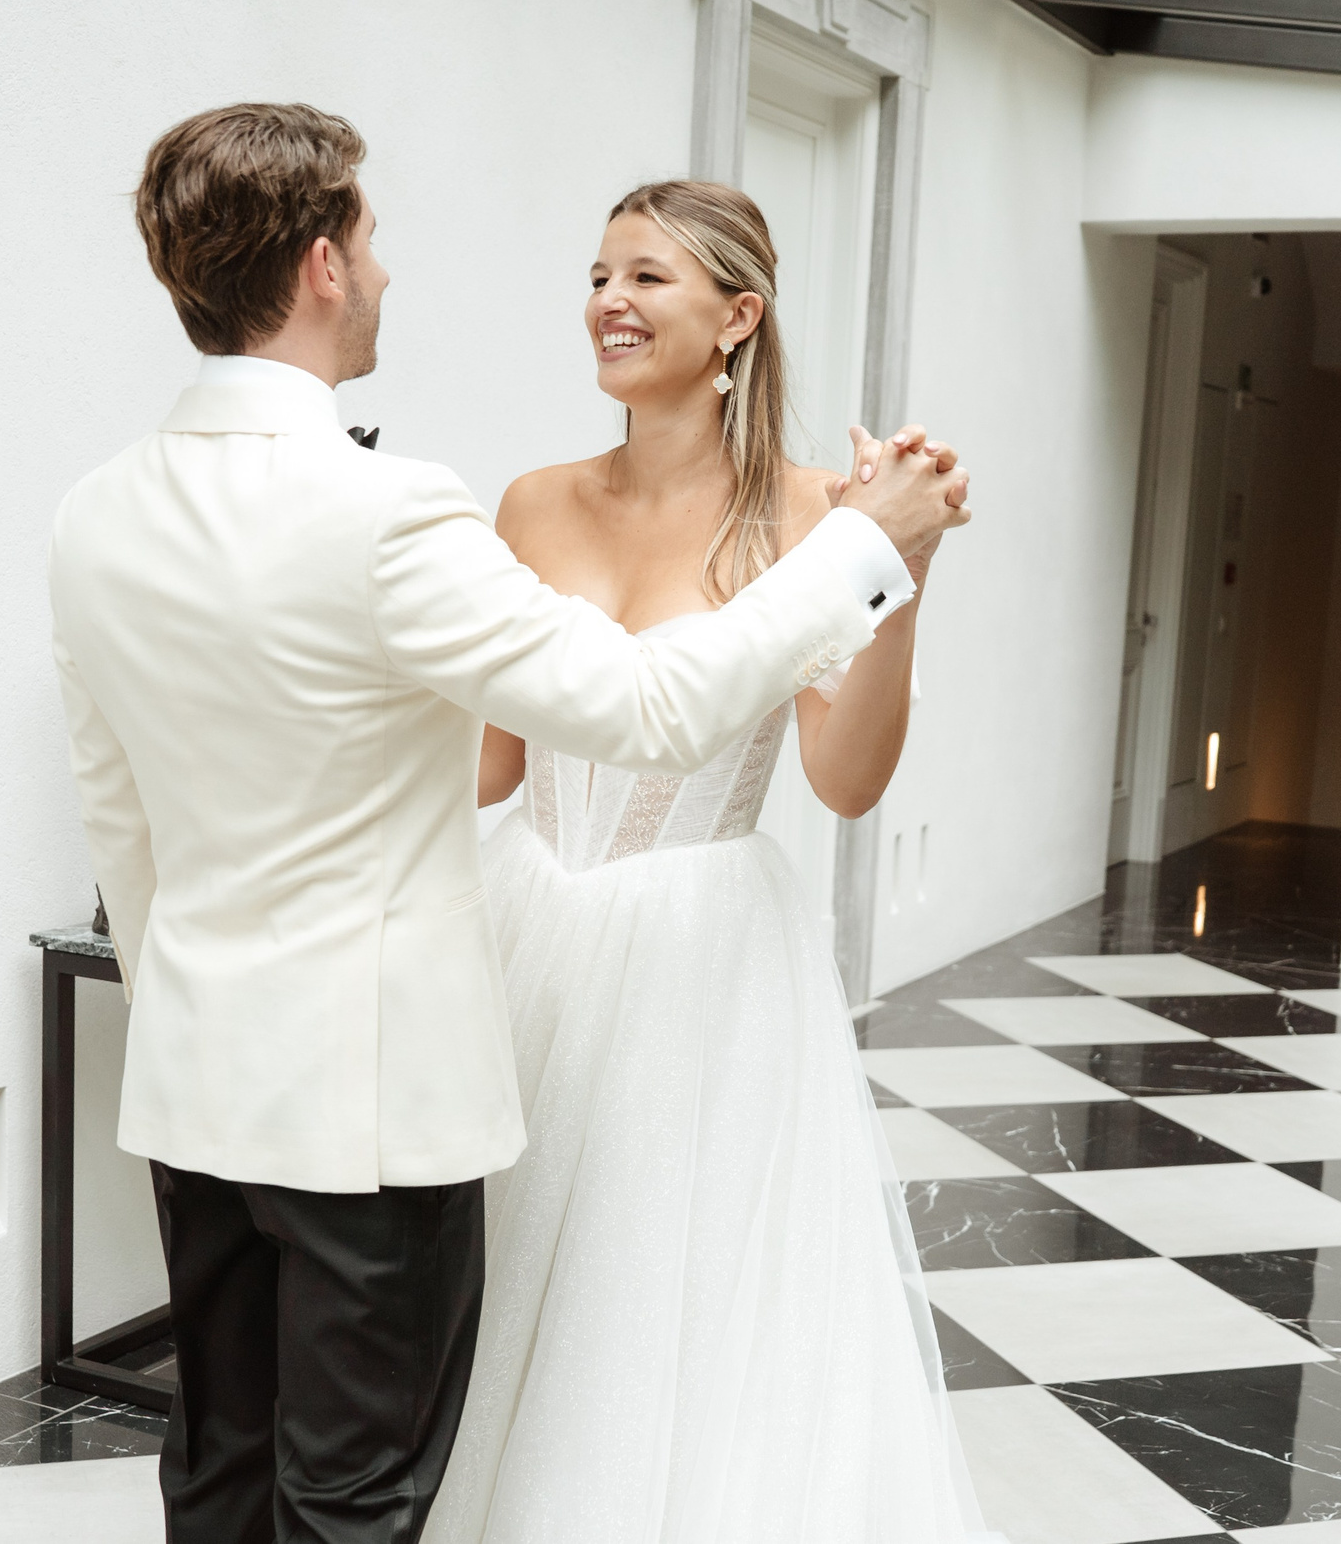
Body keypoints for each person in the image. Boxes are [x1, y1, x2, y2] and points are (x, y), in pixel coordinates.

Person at [47, 106, 971, 1544]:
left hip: (206, 1073)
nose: (390, 271)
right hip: (376, 1082)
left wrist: (197, 1001)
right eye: (371, 238)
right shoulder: (405, 509)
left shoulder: (94, 513)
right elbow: (648, 713)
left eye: (645, 275)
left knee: (224, 1458)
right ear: (322, 267)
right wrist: (874, 549)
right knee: (354, 1490)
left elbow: (128, 829)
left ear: (739, 317)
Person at [424, 181, 997, 1544]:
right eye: (599, 274)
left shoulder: (813, 514)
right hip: (526, 924)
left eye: (648, 278)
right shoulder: (532, 501)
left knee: (651, 1289)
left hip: (697, 960)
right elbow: (490, 769)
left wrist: (894, 568)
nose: (609, 301)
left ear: (737, 317)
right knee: (498, 1281)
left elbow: (845, 781)